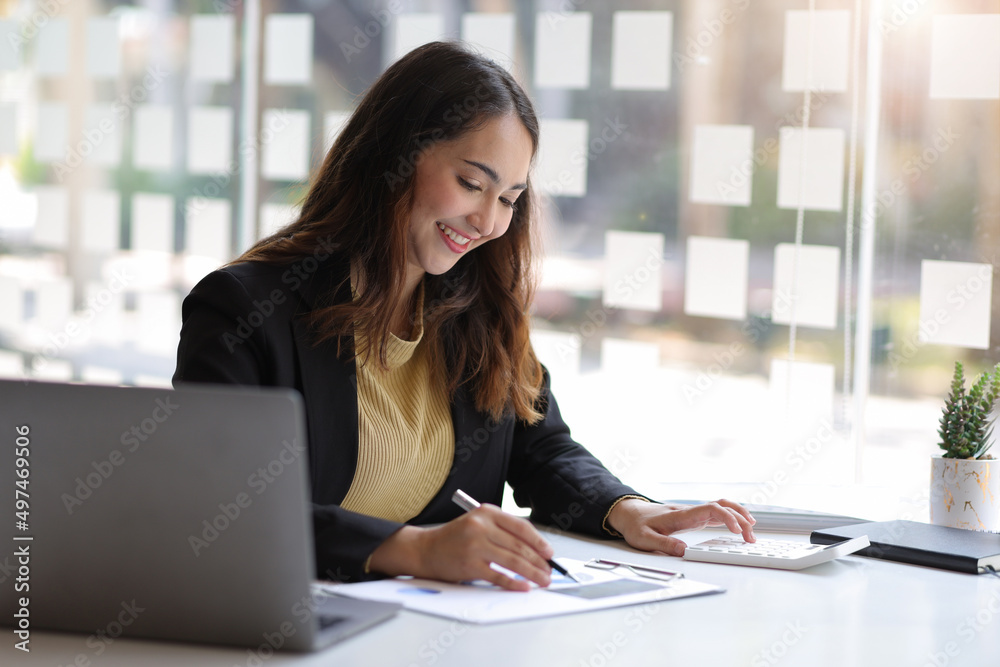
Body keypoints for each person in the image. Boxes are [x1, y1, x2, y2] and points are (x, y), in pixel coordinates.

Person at [173, 41, 755, 592]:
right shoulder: (245, 309)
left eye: (509, 199)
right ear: (393, 159)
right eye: (472, 183)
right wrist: (418, 551)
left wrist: (628, 510)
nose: (488, 222)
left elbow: (541, 447)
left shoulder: (476, 310)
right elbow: (223, 507)